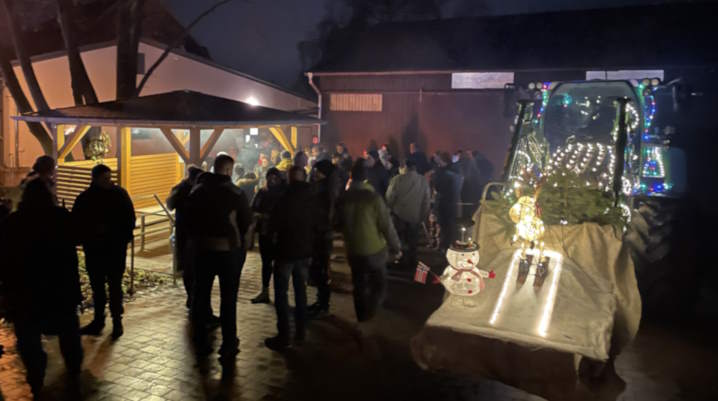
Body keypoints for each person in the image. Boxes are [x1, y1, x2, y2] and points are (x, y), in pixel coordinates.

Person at [0, 179, 83, 397]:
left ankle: (36, 376)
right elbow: (77, 238)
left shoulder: (13, 222)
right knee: (68, 332)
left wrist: (6, 290)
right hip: (60, 287)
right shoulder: (60, 217)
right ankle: (74, 369)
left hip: (25, 291)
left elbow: (4, 258)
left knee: (28, 338)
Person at [187, 154, 252, 363]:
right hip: (228, 251)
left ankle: (200, 340)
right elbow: (246, 222)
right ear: (228, 170)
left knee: (200, 295)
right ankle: (229, 343)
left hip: (202, 250)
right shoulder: (235, 193)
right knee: (228, 299)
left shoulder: (198, 190)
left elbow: (189, 219)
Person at [73, 164, 135, 339]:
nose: (109, 181)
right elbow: (78, 223)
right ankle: (100, 321)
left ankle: (115, 322)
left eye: (109, 178)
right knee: (99, 287)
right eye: (105, 178)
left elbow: (130, 219)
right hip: (98, 249)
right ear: (95, 179)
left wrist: (116, 235)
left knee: (114, 286)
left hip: (111, 249)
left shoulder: (116, 195)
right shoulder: (87, 198)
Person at [336, 159, 401, 324]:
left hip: (353, 249)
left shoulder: (343, 198)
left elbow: (336, 223)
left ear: (351, 177)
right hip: (375, 249)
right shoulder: (372, 198)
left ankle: (361, 315)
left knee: (358, 284)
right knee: (379, 283)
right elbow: (386, 225)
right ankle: (371, 310)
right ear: (366, 179)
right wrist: (396, 246)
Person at [265, 166, 318, 350]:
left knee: (281, 294)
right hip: (304, 251)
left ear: (289, 178)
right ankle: (301, 331)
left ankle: (284, 335)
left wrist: (270, 246)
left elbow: (273, 225)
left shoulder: (283, 198)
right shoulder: (312, 197)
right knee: (300, 292)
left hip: (285, 250)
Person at [167, 165, 215, 319]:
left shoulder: (181, 188)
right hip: (193, 236)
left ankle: (194, 302)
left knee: (190, 271)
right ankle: (199, 307)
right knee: (196, 272)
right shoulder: (190, 190)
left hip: (186, 234)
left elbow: (170, 204)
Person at [307, 160, 342, 318]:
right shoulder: (324, 188)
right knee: (318, 269)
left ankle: (323, 305)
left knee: (320, 269)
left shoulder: (326, 191)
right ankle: (320, 302)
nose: (315, 174)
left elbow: (325, 214)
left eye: (317, 171)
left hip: (321, 234)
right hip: (319, 233)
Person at [386, 159, 431, 270]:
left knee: (401, 240)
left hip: (399, 215)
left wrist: (390, 209)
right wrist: (423, 215)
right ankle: (412, 261)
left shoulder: (397, 179)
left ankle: (402, 260)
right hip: (415, 216)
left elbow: (389, 197)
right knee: (413, 241)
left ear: (405, 167)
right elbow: (426, 200)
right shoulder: (423, 180)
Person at [250, 168, 285, 304]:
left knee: (279, 265)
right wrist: (259, 216)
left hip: (279, 234)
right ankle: (265, 291)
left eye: (275, 178)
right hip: (265, 232)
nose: (272, 180)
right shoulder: (262, 192)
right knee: (266, 263)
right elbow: (253, 208)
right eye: (270, 177)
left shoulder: (284, 193)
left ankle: (280, 294)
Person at [431, 152, 463, 252]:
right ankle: (446, 246)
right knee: (449, 227)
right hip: (452, 203)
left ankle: (443, 246)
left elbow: (438, 187)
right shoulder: (455, 171)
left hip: (444, 202)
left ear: (442, 160)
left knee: (443, 225)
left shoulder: (444, 173)